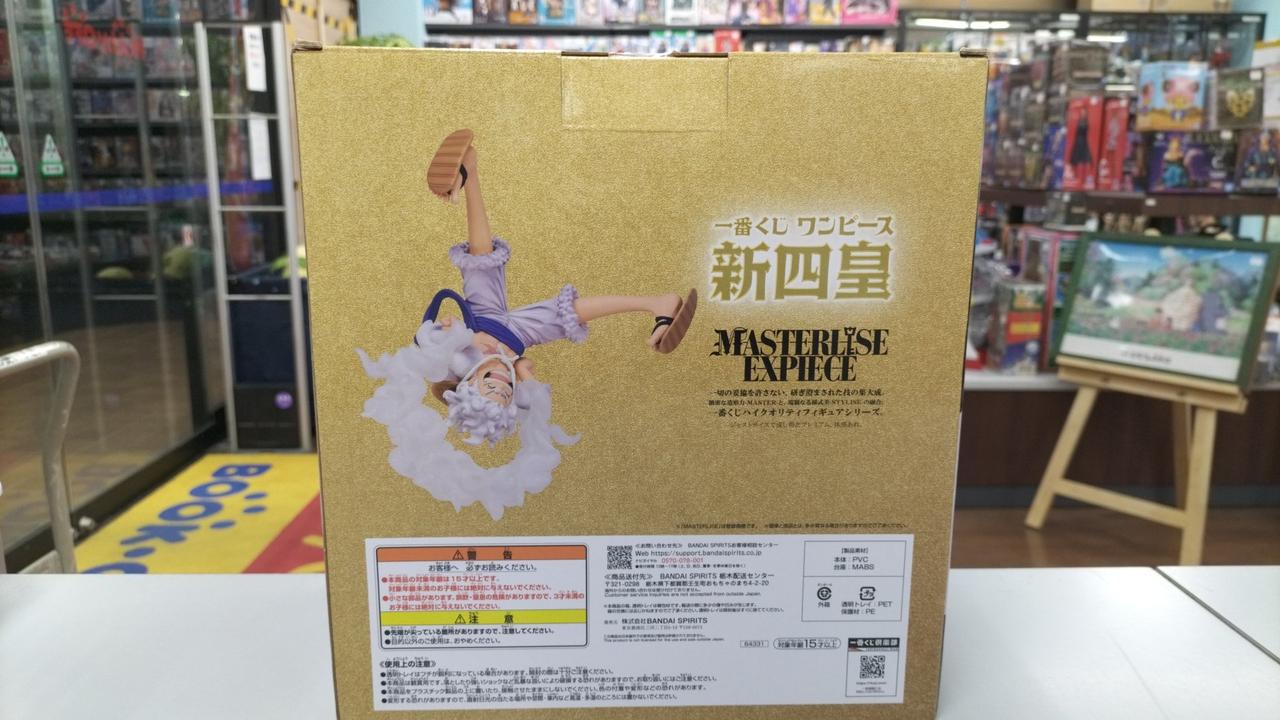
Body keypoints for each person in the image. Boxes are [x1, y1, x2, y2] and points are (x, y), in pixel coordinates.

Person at [422, 129, 697, 445]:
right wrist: (522, 372)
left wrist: (456, 334)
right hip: (519, 334)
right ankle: (657, 303)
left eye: (491, 387)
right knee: (566, 314)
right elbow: (530, 382)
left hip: (483, 317)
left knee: (481, 258)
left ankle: (469, 172)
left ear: (469, 387)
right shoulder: (510, 374)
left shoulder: (460, 365)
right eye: (506, 392)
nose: (502, 383)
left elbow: (433, 337)